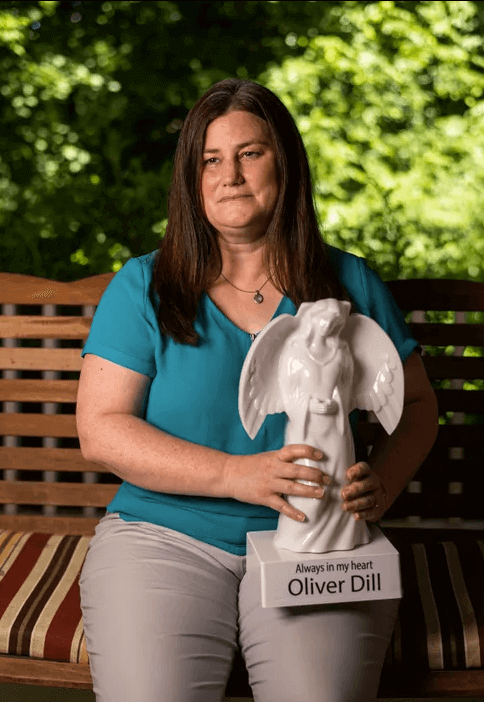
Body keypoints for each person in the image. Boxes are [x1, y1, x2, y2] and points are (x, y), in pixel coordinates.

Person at [76, 78, 439, 702]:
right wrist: (233, 475)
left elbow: (419, 407)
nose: (230, 175)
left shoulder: (349, 283)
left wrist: (384, 481)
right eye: (210, 160)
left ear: (286, 163)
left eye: (250, 153)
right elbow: (101, 429)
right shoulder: (144, 286)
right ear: (192, 182)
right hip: (164, 536)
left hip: (319, 544)